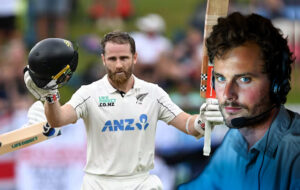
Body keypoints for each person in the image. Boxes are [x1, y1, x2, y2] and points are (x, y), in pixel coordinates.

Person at [23, 32, 223, 189]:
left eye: (124, 58)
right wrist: (50, 95)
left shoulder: (153, 93)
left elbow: (189, 125)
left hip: (140, 182)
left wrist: (202, 121)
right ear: (103, 59)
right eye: (112, 59)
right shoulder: (88, 93)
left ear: (135, 58)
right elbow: (58, 120)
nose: (118, 65)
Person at [178, 12, 300, 190]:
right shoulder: (235, 140)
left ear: (276, 84)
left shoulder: (294, 155)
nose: (227, 94)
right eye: (221, 79)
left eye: (244, 80)